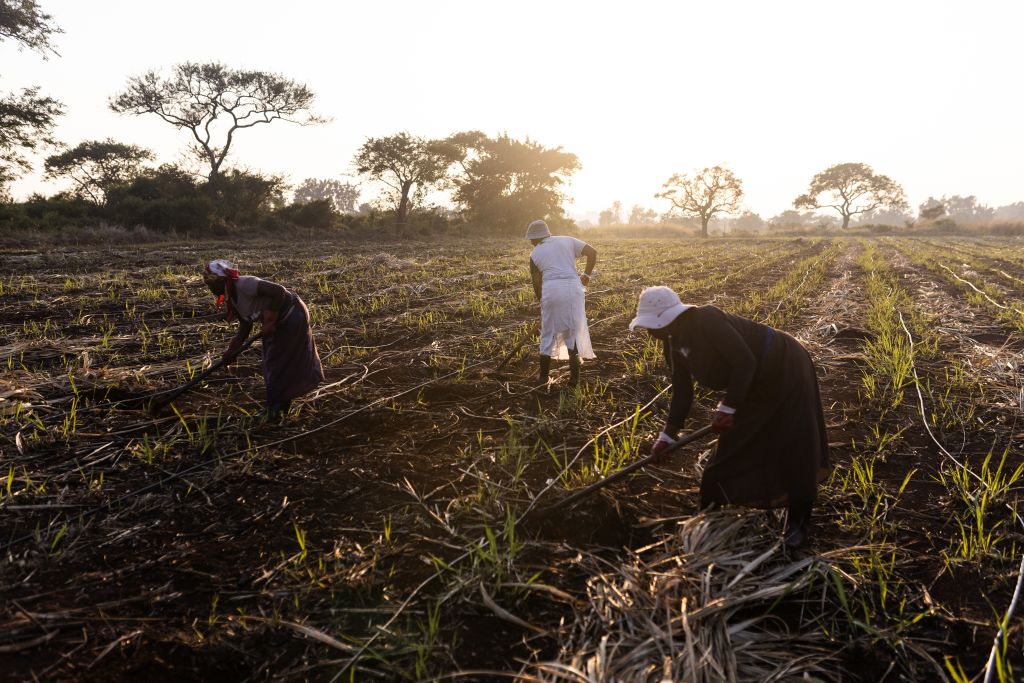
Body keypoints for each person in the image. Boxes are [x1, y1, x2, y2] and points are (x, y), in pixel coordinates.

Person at [628, 286, 829, 549]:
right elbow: (681, 393)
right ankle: (708, 520)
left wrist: (727, 408)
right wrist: (667, 436)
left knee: (794, 442)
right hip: (753, 384)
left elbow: (744, 361)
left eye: (650, 326)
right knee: (730, 450)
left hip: (786, 366)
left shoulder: (706, 320)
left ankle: (798, 526)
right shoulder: (674, 344)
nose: (649, 332)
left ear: (666, 319)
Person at [203, 259, 324, 421]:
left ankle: (275, 409)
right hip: (282, 320)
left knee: (276, 362)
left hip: (292, 314)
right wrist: (232, 351)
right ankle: (279, 405)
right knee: (273, 362)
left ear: (220, 281)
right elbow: (245, 326)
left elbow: (278, 291)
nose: (210, 289)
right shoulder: (232, 297)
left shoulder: (244, 284)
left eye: (210, 285)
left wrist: (270, 320)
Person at [526, 219, 597, 387]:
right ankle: (574, 380)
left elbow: (536, 284)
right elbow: (593, 252)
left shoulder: (535, 254)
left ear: (536, 238)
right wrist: (586, 275)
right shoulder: (567, 240)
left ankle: (543, 377)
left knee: (547, 332)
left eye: (531, 239)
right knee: (571, 330)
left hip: (551, 290)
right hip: (574, 289)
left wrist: (543, 303)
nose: (530, 242)